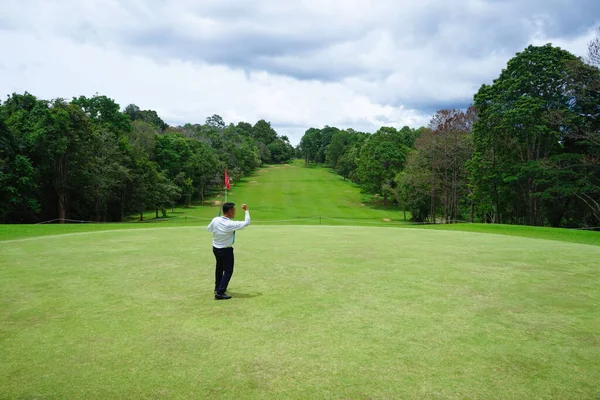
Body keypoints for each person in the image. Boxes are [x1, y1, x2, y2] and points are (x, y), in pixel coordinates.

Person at [206, 202, 251, 300]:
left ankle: (217, 287)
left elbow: (209, 229)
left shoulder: (215, 219)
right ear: (230, 212)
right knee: (228, 271)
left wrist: (217, 224)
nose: (235, 212)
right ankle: (220, 292)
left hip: (216, 248)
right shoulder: (230, 224)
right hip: (225, 250)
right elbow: (247, 222)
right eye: (234, 210)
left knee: (219, 268)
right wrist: (246, 210)